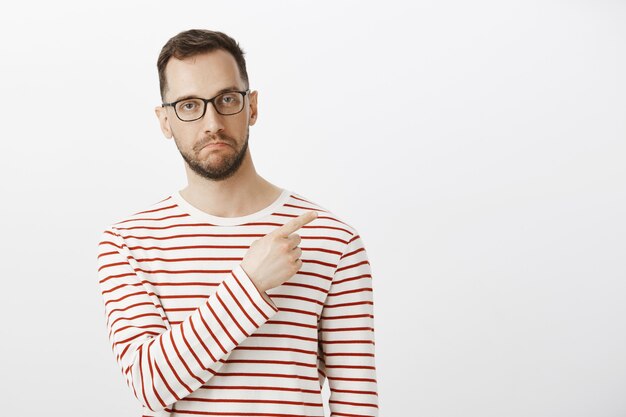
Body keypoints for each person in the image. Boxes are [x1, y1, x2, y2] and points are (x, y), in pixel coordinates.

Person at [96, 28, 379, 417]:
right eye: (189, 105)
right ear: (164, 121)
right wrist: (250, 281)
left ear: (253, 107)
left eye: (226, 99)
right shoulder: (128, 242)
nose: (212, 122)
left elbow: (357, 406)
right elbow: (150, 386)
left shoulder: (333, 240)